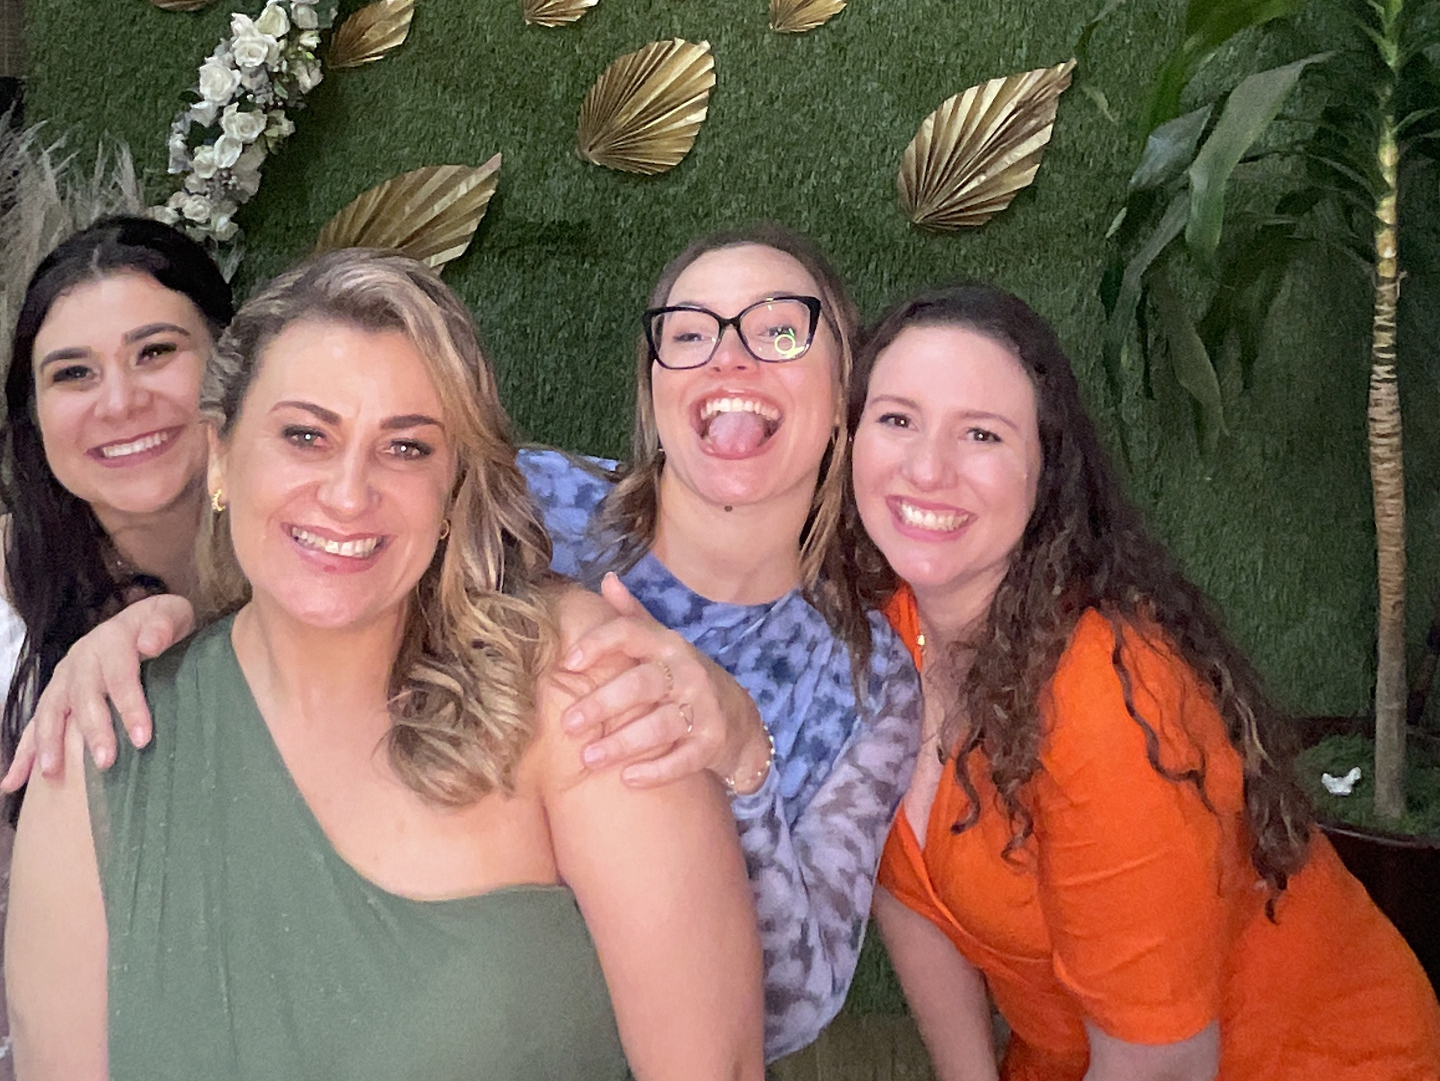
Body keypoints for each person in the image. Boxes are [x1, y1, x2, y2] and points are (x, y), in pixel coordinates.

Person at [8, 227, 922, 1061]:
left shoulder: (840, 674)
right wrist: (148, 625)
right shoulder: (553, 499)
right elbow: (312, 567)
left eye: (780, 331)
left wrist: (741, 755)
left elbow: (776, 1012)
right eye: (690, 333)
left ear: (846, 396)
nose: (731, 358)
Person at [848, 283, 1440, 1081]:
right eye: (897, 419)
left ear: (1044, 472)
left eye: (981, 433)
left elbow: (1164, 1063)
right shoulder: (879, 630)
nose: (927, 468)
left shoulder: (1107, 701)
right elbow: (906, 891)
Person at [0, 217, 233, 776]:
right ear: (34, 415)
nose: (120, 404)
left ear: (233, 364)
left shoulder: (327, 537)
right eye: (73, 373)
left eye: (154, 352)